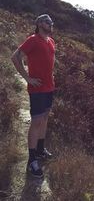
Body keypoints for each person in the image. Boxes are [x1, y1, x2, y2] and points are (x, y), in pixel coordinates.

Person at [10, 14, 57, 178]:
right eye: (47, 21)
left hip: (49, 87)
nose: (50, 24)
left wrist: (51, 75)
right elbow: (15, 57)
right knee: (36, 121)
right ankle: (32, 161)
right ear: (38, 24)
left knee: (44, 118)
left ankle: (40, 149)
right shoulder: (33, 39)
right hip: (37, 89)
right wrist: (27, 78)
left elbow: (49, 60)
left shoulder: (51, 41)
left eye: (51, 22)